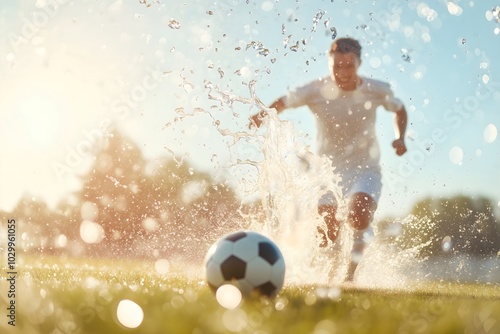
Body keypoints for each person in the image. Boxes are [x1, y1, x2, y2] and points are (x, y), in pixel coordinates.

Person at [249, 37, 408, 281]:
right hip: (327, 172)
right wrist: (265, 114)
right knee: (326, 234)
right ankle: (325, 269)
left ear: (359, 63)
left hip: (365, 169)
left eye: (349, 66)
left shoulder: (377, 89)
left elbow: (399, 108)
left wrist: (400, 138)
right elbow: (285, 101)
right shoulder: (315, 90)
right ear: (329, 64)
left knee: (359, 215)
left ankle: (350, 275)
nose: (343, 73)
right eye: (337, 66)